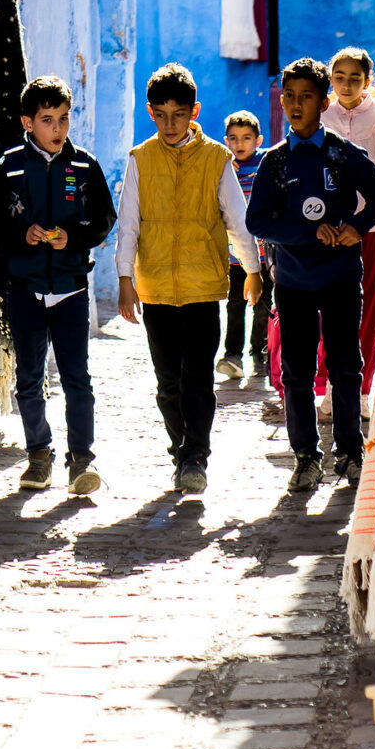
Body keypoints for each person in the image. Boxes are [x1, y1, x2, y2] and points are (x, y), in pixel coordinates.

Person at [115, 64, 262, 497]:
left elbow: (237, 219)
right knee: (167, 382)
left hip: (202, 287)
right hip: (155, 286)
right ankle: (180, 447)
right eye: (160, 115)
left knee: (197, 376)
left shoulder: (216, 158)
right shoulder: (141, 159)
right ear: (150, 112)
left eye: (178, 114)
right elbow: (129, 224)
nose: (169, 124)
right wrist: (125, 278)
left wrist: (252, 270)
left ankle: (196, 454)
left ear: (194, 111)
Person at [246, 56, 375, 494]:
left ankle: (349, 452)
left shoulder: (344, 156)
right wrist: (309, 231)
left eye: (306, 97)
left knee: (347, 367)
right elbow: (258, 223)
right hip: (292, 283)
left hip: (342, 278)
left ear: (323, 102)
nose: (294, 104)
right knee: (297, 372)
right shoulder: (274, 162)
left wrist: (355, 228)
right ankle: (305, 456)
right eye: (289, 96)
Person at [0, 76, 117, 497]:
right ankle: (38, 455)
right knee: (29, 377)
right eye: (47, 120)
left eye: (63, 119)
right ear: (28, 122)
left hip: (70, 288)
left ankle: (81, 459)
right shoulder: (8, 166)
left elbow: (103, 219)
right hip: (25, 288)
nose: (58, 129)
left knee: (76, 376)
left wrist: (73, 238)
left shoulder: (84, 166)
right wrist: (19, 235)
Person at [324, 46, 375, 390]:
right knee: (327, 306)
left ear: (367, 81)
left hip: (371, 225)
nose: (346, 85)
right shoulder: (322, 115)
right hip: (328, 226)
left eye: (355, 78)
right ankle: (328, 384)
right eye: (339, 78)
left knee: (366, 305)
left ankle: (360, 387)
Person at [217, 112, 271, 383]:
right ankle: (232, 355)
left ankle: (260, 352)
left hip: (264, 256)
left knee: (263, 306)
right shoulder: (224, 167)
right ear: (226, 141)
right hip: (235, 256)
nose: (240, 144)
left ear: (258, 140)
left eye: (247, 138)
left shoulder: (266, 164)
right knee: (235, 304)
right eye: (234, 139)